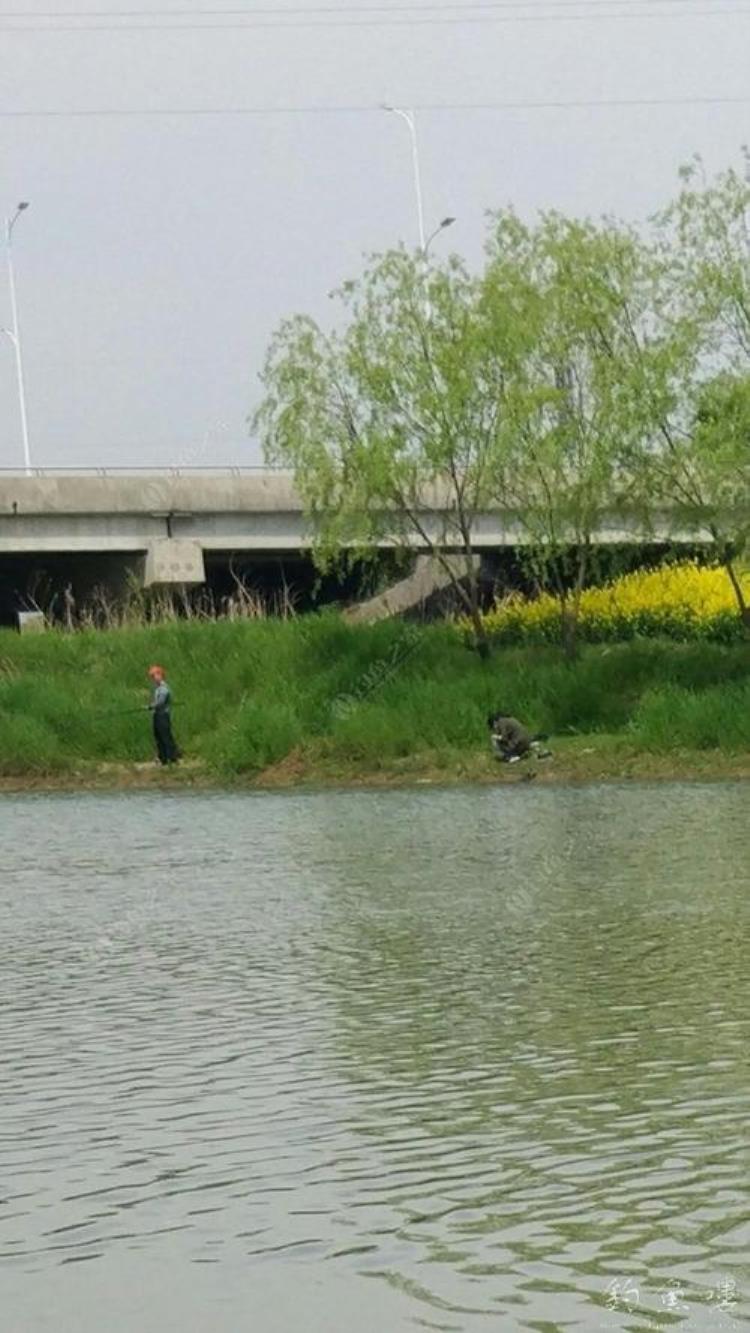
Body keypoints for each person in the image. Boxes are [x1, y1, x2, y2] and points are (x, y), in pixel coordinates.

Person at [487, 711, 551, 764]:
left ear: (494, 723)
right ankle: (531, 747)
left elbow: (504, 738)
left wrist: (495, 737)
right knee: (505, 743)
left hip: (520, 742)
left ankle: (514, 756)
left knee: (498, 741)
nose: (494, 729)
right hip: (526, 739)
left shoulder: (501, 723)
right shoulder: (508, 720)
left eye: (492, 727)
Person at [147, 664, 180, 765]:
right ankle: (163, 758)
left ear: (160, 675)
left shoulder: (164, 688)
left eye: (155, 675)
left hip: (163, 715)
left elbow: (161, 702)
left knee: (166, 736)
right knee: (158, 736)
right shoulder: (157, 689)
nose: (153, 678)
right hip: (157, 715)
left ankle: (172, 758)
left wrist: (151, 706)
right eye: (152, 677)